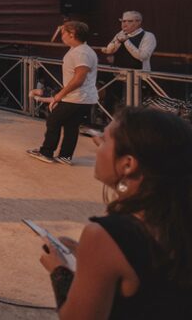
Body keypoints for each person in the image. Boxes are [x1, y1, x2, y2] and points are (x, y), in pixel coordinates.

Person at [37, 107, 192, 316]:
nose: (96, 143)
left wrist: (59, 270)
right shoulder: (175, 222)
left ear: (128, 164)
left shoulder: (107, 236)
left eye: (105, 140)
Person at [27, 21, 100, 165]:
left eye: (64, 33)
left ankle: (46, 152)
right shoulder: (80, 50)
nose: (62, 36)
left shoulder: (81, 52)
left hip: (77, 97)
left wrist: (59, 96)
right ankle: (65, 156)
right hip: (81, 97)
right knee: (71, 126)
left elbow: (79, 78)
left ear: (72, 34)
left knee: (54, 120)